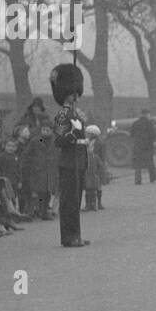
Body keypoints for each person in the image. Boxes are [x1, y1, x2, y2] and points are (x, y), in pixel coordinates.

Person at [51, 63, 90, 247]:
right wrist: (73, 135)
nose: (77, 97)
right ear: (68, 95)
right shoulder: (61, 115)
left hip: (79, 160)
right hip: (68, 162)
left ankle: (76, 234)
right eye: (74, 94)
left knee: (76, 201)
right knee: (69, 202)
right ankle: (68, 237)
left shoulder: (76, 114)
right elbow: (58, 140)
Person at [130, 109, 156, 184]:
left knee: (138, 163)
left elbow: (131, 134)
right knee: (150, 161)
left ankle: (137, 180)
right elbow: (153, 135)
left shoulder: (135, 123)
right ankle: (152, 178)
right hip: (148, 145)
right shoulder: (149, 123)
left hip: (138, 145)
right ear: (147, 114)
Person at [84, 125, 105, 211]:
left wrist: (102, 165)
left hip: (96, 165)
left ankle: (98, 203)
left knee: (97, 185)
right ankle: (88, 204)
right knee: (88, 186)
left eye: (88, 133)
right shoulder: (87, 141)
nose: (87, 135)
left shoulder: (99, 143)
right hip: (88, 165)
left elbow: (102, 155)